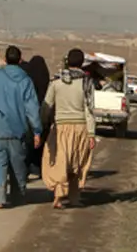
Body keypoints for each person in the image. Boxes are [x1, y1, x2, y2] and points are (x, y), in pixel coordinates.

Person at [0, 46, 42, 208]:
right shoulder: (25, 80)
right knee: (18, 163)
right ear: (20, 60)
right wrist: (37, 130)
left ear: (5, 59)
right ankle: (18, 194)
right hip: (18, 128)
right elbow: (32, 108)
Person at [43, 48, 96, 209]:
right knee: (77, 162)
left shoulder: (56, 81)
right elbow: (90, 109)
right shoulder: (86, 82)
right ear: (82, 63)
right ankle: (74, 197)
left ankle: (58, 196)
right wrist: (91, 133)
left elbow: (47, 105)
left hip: (60, 127)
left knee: (60, 161)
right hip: (80, 127)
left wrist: (42, 124)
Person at [20, 54, 52, 177]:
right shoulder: (44, 76)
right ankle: (39, 165)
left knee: (27, 141)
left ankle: (26, 166)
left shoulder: (28, 78)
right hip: (41, 110)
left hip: (28, 111)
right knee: (40, 140)